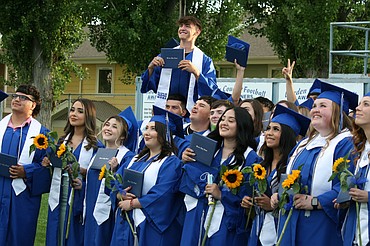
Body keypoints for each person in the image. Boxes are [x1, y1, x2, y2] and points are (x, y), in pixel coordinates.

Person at [270, 82, 358, 246]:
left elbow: (347, 186)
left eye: (322, 106)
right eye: (314, 105)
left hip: (322, 225)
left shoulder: (346, 143)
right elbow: (289, 177)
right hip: (291, 221)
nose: (315, 110)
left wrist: (316, 202)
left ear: (338, 113)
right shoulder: (303, 144)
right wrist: (279, 195)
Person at [180, 107, 262, 246]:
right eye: (223, 119)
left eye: (231, 120)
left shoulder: (250, 158)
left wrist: (222, 194)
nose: (223, 123)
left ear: (242, 125)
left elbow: (248, 197)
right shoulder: (207, 148)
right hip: (198, 214)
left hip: (226, 220)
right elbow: (187, 178)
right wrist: (185, 160)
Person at [110, 114, 183, 246]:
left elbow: (163, 194)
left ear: (164, 134)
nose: (147, 133)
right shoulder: (134, 159)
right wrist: (119, 194)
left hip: (150, 225)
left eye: (153, 129)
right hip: (126, 221)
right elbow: (115, 182)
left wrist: (133, 204)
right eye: (146, 128)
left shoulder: (171, 162)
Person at [243, 105, 310, 246]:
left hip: (280, 231)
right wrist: (249, 202)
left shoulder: (292, 168)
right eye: (268, 128)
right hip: (257, 230)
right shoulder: (260, 165)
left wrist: (273, 205)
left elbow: (294, 202)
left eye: (276, 129)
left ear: (287, 134)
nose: (269, 133)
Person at [45, 98, 104, 246]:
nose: (74, 114)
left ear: (89, 116)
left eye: (80, 111)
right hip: (59, 195)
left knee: (75, 237)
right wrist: (49, 163)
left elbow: (100, 177)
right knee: (56, 233)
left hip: (80, 198)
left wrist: (84, 172)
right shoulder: (61, 142)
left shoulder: (96, 146)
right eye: (72, 110)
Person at [0, 85, 49, 245]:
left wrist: (26, 171)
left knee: (20, 238)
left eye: (23, 97)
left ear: (33, 105)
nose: (16, 99)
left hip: (22, 196)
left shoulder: (43, 135)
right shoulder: (1, 128)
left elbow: (47, 168)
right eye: (15, 96)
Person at [141, 16, 217, 112]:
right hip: (166, 110)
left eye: (187, 26)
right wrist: (151, 68)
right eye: (181, 26)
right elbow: (150, 84)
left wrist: (196, 72)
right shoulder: (165, 56)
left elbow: (211, 90)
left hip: (191, 114)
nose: (182, 28)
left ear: (197, 32)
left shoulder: (204, 61)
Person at [84, 107, 137, 245]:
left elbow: (125, 187)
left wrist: (114, 170)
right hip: (91, 208)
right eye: (107, 124)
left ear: (123, 136)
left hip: (110, 213)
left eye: (114, 127)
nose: (108, 128)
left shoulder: (127, 157)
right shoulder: (98, 152)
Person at [338, 92, 370, 245]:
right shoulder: (359, 149)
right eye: (359, 104)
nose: (358, 108)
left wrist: (368, 197)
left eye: (366, 104)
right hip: (355, 234)